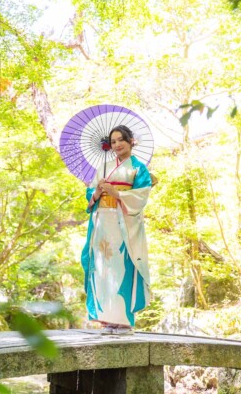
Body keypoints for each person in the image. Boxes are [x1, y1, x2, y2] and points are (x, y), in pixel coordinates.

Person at [81, 125, 153, 334]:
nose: (117, 144)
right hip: (102, 223)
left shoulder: (138, 168)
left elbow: (141, 196)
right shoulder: (104, 167)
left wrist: (118, 193)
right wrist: (97, 191)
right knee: (102, 269)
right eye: (113, 142)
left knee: (122, 268)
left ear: (131, 141)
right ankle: (107, 319)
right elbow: (90, 196)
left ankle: (124, 321)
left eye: (121, 139)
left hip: (123, 224)